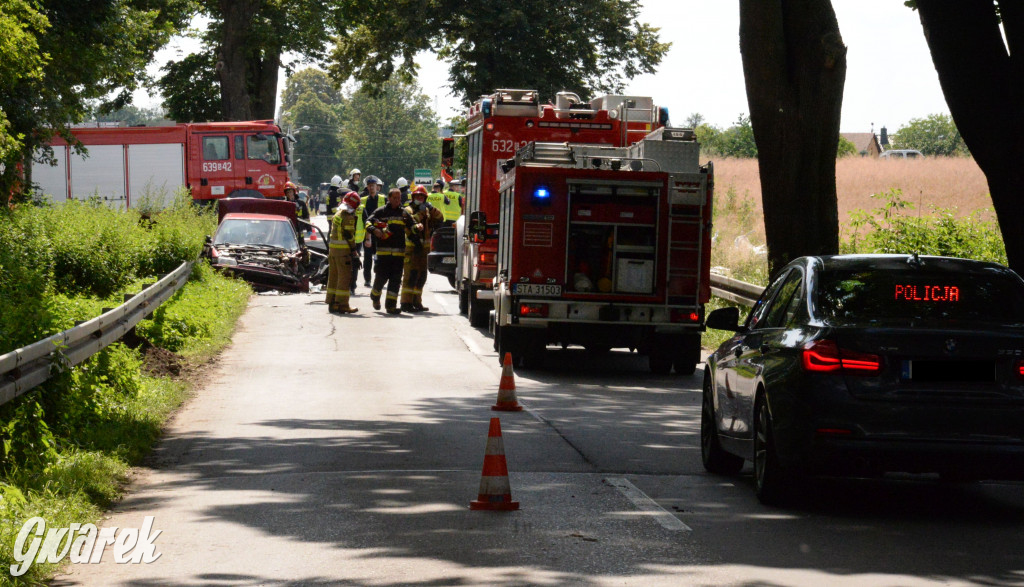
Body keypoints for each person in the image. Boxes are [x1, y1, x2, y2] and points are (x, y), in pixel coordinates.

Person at [365, 188, 414, 314]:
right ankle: (375, 295)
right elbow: (367, 222)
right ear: (389, 198)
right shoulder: (380, 211)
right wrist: (374, 230)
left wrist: (417, 227)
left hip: (399, 254)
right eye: (395, 198)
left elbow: (412, 225)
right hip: (383, 253)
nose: (398, 200)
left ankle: (391, 306)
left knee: (396, 280)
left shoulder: (404, 213)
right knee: (381, 278)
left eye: (399, 198)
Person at [401, 186, 445, 312]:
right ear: (413, 197)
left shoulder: (427, 211)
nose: (419, 198)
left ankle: (417, 302)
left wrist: (431, 208)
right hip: (412, 249)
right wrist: (421, 213)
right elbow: (410, 222)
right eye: (417, 196)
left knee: (421, 277)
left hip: (424, 250)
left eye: (422, 196)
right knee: (410, 276)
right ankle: (406, 303)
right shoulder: (408, 210)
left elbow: (440, 218)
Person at [326, 192, 361, 314]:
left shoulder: (338, 214)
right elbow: (349, 236)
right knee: (344, 278)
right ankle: (342, 304)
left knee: (333, 277)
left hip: (333, 251)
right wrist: (354, 252)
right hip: (343, 252)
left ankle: (332, 302)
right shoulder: (348, 217)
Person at [359, 176, 386, 287]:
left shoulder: (383, 198)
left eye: (373, 186)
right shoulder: (363, 200)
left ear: (376, 186)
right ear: (367, 187)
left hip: (380, 232)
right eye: (369, 186)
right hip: (368, 232)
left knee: (380, 257)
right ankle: (367, 279)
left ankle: (379, 279)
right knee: (367, 258)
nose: (371, 188)